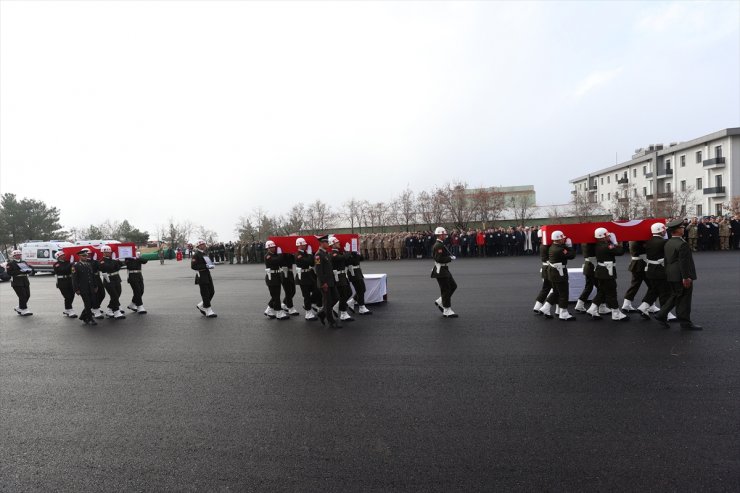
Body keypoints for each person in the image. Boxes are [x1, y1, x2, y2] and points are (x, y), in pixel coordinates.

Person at [654, 219, 702, 330]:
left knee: (676, 296)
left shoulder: (668, 242)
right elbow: (683, 263)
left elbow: (667, 260)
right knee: (684, 299)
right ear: (676, 231)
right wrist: (686, 277)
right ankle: (684, 322)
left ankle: (662, 315)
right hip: (681, 275)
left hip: (671, 274)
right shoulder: (682, 244)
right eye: (681, 228)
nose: (683, 229)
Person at [587, 227, 628, 321]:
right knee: (612, 291)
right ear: (602, 237)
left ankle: (592, 309)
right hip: (607, 272)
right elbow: (620, 252)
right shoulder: (607, 246)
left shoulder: (597, 245)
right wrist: (616, 243)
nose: (608, 236)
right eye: (607, 235)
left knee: (602, 291)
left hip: (601, 271)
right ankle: (616, 313)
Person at [546, 230, 576, 321]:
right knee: (563, 293)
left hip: (553, 272)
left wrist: (565, 246)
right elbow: (571, 256)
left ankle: (545, 308)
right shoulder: (560, 249)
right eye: (562, 238)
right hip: (559, 273)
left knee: (556, 292)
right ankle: (563, 313)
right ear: (558, 239)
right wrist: (569, 246)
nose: (564, 239)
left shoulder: (553, 246)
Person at [431, 226, 458, 318]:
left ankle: (440, 301)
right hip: (441, 270)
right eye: (444, 234)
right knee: (446, 290)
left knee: (453, 286)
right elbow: (438, 259)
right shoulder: (438, 245)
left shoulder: (441, 244)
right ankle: (447, 310)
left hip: (444, 269)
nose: (445, 235)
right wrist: (449, 258)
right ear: (440, 235)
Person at [314, 235, 340, 327]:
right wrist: (323, 283)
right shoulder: (318, 255)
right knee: (328, 302)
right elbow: (319, 271)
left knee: (336, 298)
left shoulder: (326, 253)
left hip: (331, 282)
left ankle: (322, 313)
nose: (328, 244)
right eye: (326, 242)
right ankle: (331, 322)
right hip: (325, 283)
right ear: (321, 243)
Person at [295, 237, 321, 320]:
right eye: (303, 245)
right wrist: (310, 254)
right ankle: (308, 313)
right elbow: (307, 261)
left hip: (309, 275)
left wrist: (314, 255)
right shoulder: (298, 254)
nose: (305, 246)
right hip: (302, 276)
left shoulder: (306, 253)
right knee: (306, 295)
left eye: (305, 244)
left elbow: (313, 263)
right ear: (299, 245)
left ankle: (311, 303)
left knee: (317, 290)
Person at [98, 245, 126, 319]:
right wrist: (114, 261)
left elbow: (119, 266)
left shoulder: (112, 259)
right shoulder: (101, 261)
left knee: (118, 294)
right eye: (108, 252)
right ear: (103, 253)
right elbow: (108, 267)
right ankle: (116, 312)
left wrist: (116, 260)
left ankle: (110, 309)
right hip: (108, 280)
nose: (110, 253)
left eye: (110, 252)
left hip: (116, 278)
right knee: (114, 296)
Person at [330, 236, 354, 322]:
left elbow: (346, 261)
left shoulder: (339, 253)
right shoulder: (333, 253)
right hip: (338, 277)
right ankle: (343, 313)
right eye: (337, 243)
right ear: (332, 245)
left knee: (349, 293)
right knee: (343, 294)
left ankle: (337, 306)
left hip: (343, 276)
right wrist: (347, 252)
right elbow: (341, 258)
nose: (339, 243)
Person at [71, 248, 98, 325]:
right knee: (87, 303)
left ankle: (83, 316)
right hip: (83, 288)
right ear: (79, 257)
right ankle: (89, 319)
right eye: (83, 256)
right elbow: (74, 279)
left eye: (86, 256)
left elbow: (92, 276)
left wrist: (95, 286)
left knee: (92, 302)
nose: (85, 257)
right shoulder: (75, 266)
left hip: (91, 287)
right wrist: (76, 289)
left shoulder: (89, 264)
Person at [191, 239, 217, 318]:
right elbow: (193, 266)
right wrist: (205, 266)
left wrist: (210, 264)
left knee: (212, 291)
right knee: (205, 293)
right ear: (198, 246)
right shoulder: (196, 254)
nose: (204, 246)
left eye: (204, 244)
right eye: (202, 245)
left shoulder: (204, 253)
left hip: (207, 274)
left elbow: (207, 262)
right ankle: (208, 310)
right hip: (201, 275)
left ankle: (202, 305)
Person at [263, 240, 288, 320]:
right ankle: (278, 312)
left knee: (275, 295)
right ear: (268, 248)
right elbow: (276, 261)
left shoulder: (274, 254)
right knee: (276, 296)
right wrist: (280, 254)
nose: (273, 248)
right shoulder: (268, 256)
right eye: (271, 247)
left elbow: (280, 262)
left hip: (276, 276)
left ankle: (268, 310)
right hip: (271, 278)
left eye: (274, 247)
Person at [621, 239, 648, 312]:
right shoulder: (639, 240)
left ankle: (626, 304)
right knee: (652, 286)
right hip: (641, 264)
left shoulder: (633, 238)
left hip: (637, 264)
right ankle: (648, 304)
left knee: (635, 284)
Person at [346, 243, 372, 315]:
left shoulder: (354, 252)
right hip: (352, 273)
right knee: (360, 290)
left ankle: (352, 302)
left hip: (358, 272)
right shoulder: (346, 253)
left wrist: (358, 252)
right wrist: (348, 252)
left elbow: (362, 259)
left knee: (363, 289)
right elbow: (348, 262)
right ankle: (361, 307)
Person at [6, 249, 33, 316]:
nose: (18, 256)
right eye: (16, 255)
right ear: (13, 256)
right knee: (22, 296)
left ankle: (20, 307)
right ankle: (24, 309)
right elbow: (9, 273)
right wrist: (20, 271)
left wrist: (29, 269)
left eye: (19, 255)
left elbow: (28, 270)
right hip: (17, 281)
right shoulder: (10, 263)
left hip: (25, 280)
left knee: (27, 295)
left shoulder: (23, 262)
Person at [53, 251, 77, 318]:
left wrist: (73, 264)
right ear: (58, 257)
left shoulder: (68, 262)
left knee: (72, 295)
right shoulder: (56, 264)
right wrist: (71, 264)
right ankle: (70, 310)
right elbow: (63, 270)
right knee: (67, 296)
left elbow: (71, 270)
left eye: (63, 255)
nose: (64, 256)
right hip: (62, 282)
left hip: (70, 280)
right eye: (61, 256)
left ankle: (67, 309)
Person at [574, 242, 596, 314]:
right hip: (593, 266)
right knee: (600, 287)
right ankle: (601, 306)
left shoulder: (584, 242)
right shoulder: (590, 243)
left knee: (589, 286)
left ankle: (580, 304)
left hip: (588, 266)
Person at [280, 249, 299, 316]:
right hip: (284, 272)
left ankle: (284, 303)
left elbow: (295, 261)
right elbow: (280, 262)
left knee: (293, 291)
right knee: (288, 292)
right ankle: (290, 308)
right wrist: (281, 253)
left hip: (290, 272)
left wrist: (294, 253)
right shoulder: (281, 254)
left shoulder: (289, 253)